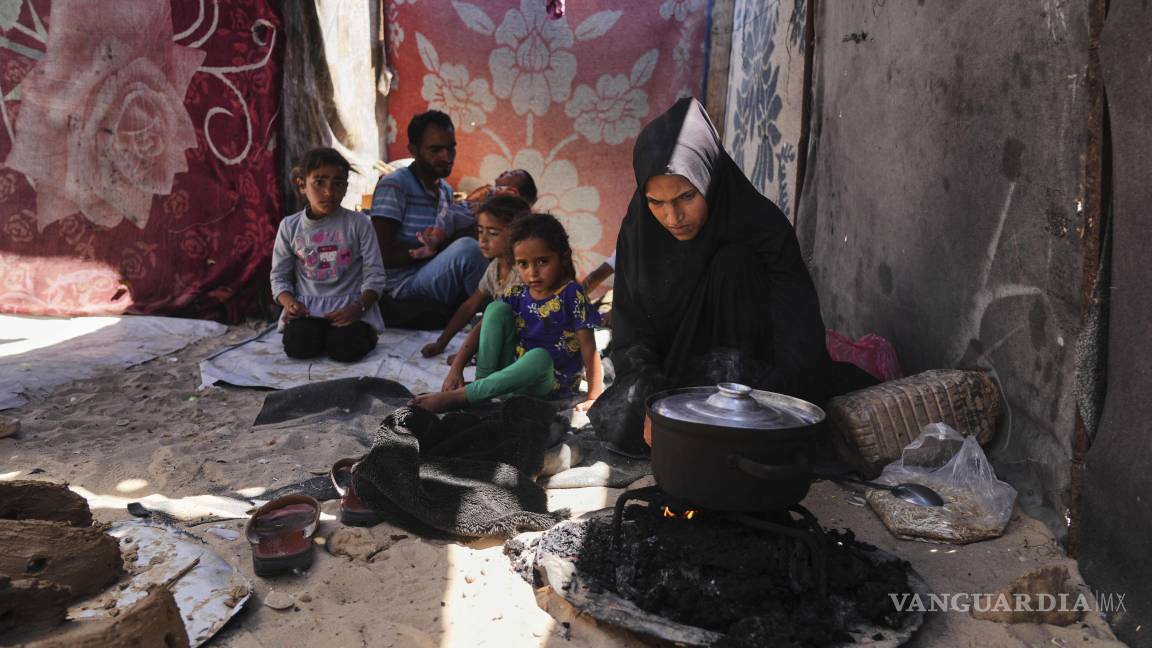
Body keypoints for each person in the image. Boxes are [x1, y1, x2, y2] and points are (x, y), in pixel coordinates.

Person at [588, 97, 874, 456]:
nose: (672, 216)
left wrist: (772, 406)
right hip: (671, 381)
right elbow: (632, 333)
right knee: (630, 421)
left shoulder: (762, 228)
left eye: (686, 196)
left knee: (734, 263)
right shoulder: (639, 232)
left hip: (752, 381)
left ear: (710, 177)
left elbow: (798, 331)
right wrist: (652, 402)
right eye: (656, 202)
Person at [411, 213, 603, 413]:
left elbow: (590, 350)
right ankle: (482, 385)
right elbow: (482, 327)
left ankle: (462, 397)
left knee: (539, 357)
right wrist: (456, 368)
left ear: (563, 257)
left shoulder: (571, 294)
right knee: (495, 309)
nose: (532, 272)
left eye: (542, 261)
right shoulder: (517, 293)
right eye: (523, 264)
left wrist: (594, 396)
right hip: (509, 380)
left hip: (549, 384)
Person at [270, 147, 387, 362]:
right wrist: (289, 303)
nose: (329, 192)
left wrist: (358, 307)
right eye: (319, 182)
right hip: (308, 310)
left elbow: (375, 276)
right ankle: (322, 335)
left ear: (346, 187)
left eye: (338, 183)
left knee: (345, 350)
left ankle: (362, 335)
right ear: (302, 185)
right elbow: (279, 277)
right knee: (297, 346)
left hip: (351, 308)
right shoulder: (289, 226)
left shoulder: (359, 224)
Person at [369, 110, 487, 308]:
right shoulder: (395, 185)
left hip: (427, 274)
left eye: (451, 149)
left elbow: (443, 240)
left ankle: (484, 314)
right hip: (399, 285)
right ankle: (490, 318)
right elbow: (381, 255)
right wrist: (427, 251)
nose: (446, 157)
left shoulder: (445, 191)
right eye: (435, 150)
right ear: (413, 150)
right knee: (468, 249)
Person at [420, 194, 532, 358]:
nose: (482, 240)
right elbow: (469, 307)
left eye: (493, 233)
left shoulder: (525, 274)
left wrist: (468, 355)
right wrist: (441, 343)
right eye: (480, 231)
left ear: (517, 235)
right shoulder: (494, 268)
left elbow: (503, 325)